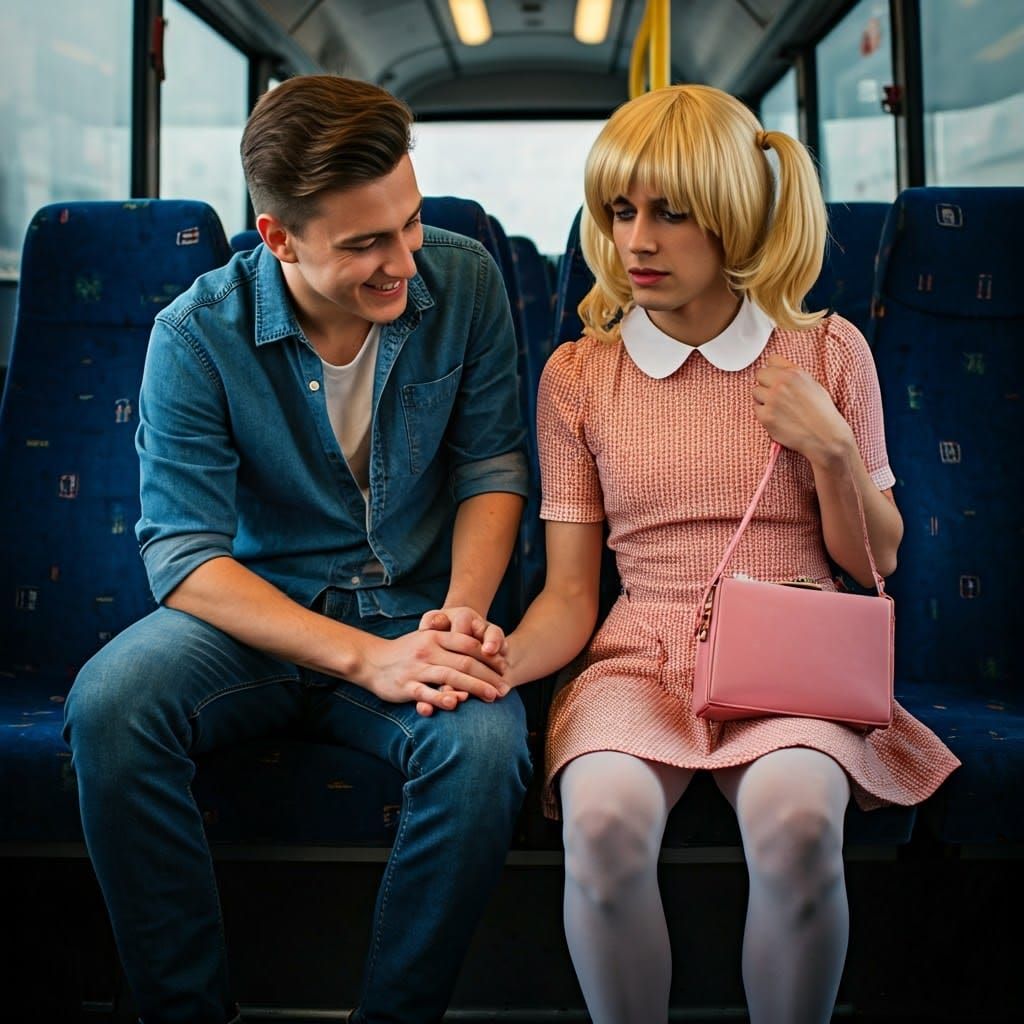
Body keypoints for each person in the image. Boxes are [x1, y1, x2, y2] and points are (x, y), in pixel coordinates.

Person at [63, 74, 532, 1024]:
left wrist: (460, 617)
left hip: (418, 604)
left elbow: (492, 469)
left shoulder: (466, 276)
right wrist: (368, 659)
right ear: (279, 237)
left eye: (406, 221)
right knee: (110, 704)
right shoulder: (194, 336)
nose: (405, 259)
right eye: (365, 243)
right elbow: (186, 557)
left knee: (483, 751)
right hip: (259, 614)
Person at [500, 84, 960, 1024]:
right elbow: (572, 594)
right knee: (601, 825)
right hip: (638, 651)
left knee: (795, 826)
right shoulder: (578, 373)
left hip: (788, 645)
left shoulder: (828, 353)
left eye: (671, 214)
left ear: (736, 218)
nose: (637, 242)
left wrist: (831, 448)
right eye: (621, 211)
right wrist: (495, 662)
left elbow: (877, 558)